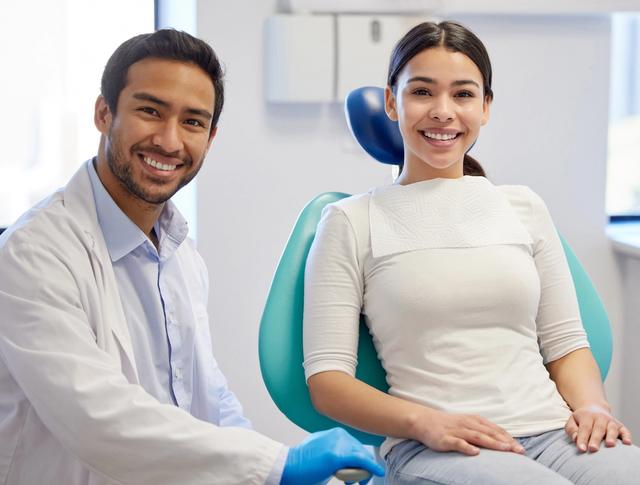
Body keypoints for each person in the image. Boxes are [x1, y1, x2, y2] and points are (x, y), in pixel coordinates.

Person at [0, 29, 384, 485]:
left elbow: (205, 396)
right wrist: (279, 466)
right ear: (104, 113)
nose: (169, 140)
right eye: (150, 111)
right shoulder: (33, 254)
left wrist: (271, 467)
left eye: (193, 122)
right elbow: (95, 417)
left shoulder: (180, 250)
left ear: (211, 136)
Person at [303, 20, 640, 484]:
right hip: (434, 445)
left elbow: (565, 343)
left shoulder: (523, 206)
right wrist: (424, 422)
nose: (443, 112)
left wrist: (593, 408)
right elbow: (327, 381)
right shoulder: (350, 220)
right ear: (390, 101)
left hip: (555, 432)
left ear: (485, 107)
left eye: (462, 95)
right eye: (422, 92)